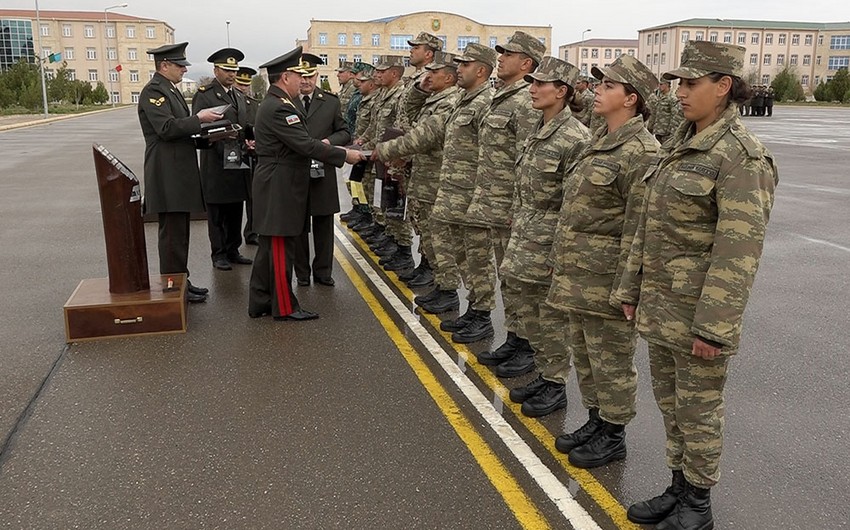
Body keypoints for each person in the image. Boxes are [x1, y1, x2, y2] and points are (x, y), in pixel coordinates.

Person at [615, 41, 778, 529]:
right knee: (671, 406)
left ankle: (699, 505)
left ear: (723, 86)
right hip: (662, 308)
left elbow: (738, 252)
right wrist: (631, 288)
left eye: (691, 83)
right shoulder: (679, 144)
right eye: (679, 83)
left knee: (699, 411)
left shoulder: (741, 157)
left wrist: (713, 329)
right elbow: (647, 225)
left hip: (697, 316)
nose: (680, 92)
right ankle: (679, 487)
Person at [546, 54, 660, 464]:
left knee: (611, 359)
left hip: (608, 279)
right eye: (599, 84)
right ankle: (597, 418)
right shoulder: (599, 140)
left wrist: (629, 288)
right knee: (586, 353)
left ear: (631, 99)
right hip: (579, 274)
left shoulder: (642, 152)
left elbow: (639, 229)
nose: (597, 90)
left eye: (608, 86)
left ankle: (614, 432)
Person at [497, 56, 588, 418]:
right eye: (531, 82)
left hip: (549, 241)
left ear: (561, 92)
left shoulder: (575, 138)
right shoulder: (537, 128)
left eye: (540, 84)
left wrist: (559, 254)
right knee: (529, 309)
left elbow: (573, 203)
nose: (532, 89)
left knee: (551, 316)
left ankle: (555, 383)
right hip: (525, 234)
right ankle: (541, 369)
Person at [248, 47, 364, 321]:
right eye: (297, 75)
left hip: (280, 181)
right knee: (278, 247)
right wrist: (345, 155)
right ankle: (284, 307)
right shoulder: (279, 107)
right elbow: (304, 144)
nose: (302, 80)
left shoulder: (278, 103)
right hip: (279, 185)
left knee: (271, 248)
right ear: (285, 77)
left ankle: (260, 300)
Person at [463, 30, 544, 352]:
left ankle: (524, 342)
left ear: (526, 63)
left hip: (509, 208)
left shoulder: (525, 101)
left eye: (508, 54)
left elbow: (527, 161)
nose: (501, 58)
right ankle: (513, 337)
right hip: (491, 204)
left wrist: (517, 209)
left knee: (517, 281)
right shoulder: (502, 96)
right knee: (505, 277)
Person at [411, 43, 496, 316]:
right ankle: (458, 298)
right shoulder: (462, 99)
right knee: (458, 251)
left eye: (465, 64)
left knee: (477, 258)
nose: (459, 69)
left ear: (481, 70)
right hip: (450, 189)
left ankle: (480, 313)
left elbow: (492, 155)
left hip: (471, 193)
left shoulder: (484, 102)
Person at [138, 42, 223, 303]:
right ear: (164, 65)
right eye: (180, 66)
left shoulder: (170, 90)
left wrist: (208, 137)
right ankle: (173, 288)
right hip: (167, 172)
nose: (184, 71)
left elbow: (180, 131)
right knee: (172, 234)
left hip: (178, 170)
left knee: (180, 231)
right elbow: (166, 128)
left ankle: (181, 281)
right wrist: (200, 119)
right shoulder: (154, 92)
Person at [374, 51, 462, 291]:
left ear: (450, 78)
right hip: (422, 175)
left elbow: (421, 137)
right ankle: (436, 280)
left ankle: (446, 290)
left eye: (435, 72)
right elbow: (407, 117)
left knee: (438, 238)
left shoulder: (449, 103)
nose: (429, 75)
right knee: (424, 229)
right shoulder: (433, 98)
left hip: (436, 178)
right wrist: (419, 90)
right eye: (429, 71)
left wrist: (383, 151)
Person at [192, 48, 253, 271]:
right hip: (216, 161)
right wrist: (220, 137)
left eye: (234, 70)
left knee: (236, 208)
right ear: (216, 70)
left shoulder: (238, 95)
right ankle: (218, 253)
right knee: (217, 211)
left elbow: (243, 127)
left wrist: (250, 139)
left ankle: (233, 249)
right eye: (227, 70)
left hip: (237, 160)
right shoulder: (205, 94)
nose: (231, 74)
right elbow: (199, 128)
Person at [292, 60, 351, 287]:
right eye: (302, 76)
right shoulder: (287, 101)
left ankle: (324, 271)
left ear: (317, 77)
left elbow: (344, 131)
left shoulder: (330, 102)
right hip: (296, 170)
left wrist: (328, 142)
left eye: (310, 77)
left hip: (322, 171)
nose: (305, 82)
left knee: (324, 223)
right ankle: (302, 273)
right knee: (298, 224)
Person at [234, 65, 260, 246]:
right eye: (240, 84)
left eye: (246, 85)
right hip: (233, 152)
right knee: (235, 198)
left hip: (251, 154)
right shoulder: (232, 102)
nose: (243, 88)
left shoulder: (254, 104)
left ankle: (252, 232)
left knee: (253, 196)